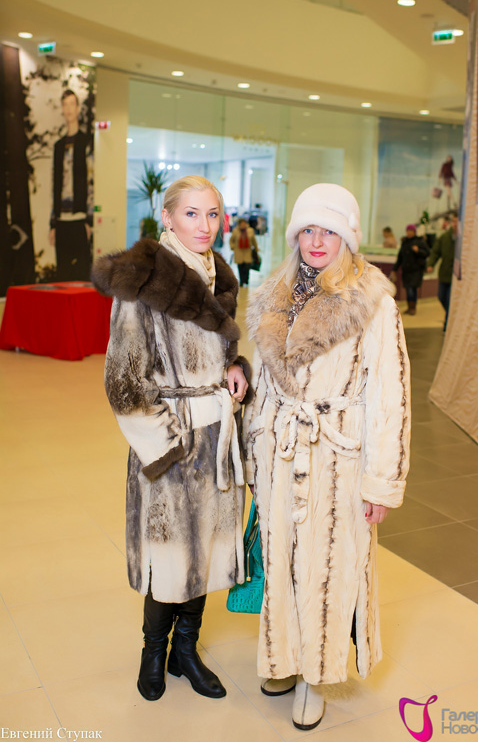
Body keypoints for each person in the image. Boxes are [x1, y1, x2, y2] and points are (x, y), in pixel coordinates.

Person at [243, 183, 410, 731]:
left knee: (327, 572)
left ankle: (314, 677)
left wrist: (381, 481)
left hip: (337, 460)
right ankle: (284, 660)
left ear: (348, 237)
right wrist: (253, 454)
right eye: (308, 230)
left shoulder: (373, 302)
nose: (316, 241)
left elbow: (391, 395)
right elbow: (264, 385)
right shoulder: (273, 295)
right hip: (279, 450)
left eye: (329, 231)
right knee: (281, 565)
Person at [92, 175, 250, 703]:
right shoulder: (144, 282)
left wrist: (235, 368)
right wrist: (167, 446)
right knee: (170, 556)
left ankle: (186, 650)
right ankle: (153, 652)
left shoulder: (220, 276)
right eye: (192, 214)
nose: (205, 226)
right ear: (167, 216)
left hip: (217, 439)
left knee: (205, 551)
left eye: (213, 214)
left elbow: (219, 354)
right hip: (172, 442)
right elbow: (123, 381)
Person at [49, 89, 93, 280]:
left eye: (71, 104)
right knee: (63, 273)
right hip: (61, 221)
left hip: (79, 218)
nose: (68, 109)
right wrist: (53, 223)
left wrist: (89, 220)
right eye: (64, 105)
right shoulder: (58, 146)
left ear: (77, 108)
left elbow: (91, 182)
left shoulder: (86, 142)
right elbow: (55, 185)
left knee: (82, 273)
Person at [427, 213, 458, 331]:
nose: (455, 224)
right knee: (441, 297)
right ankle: (451, 317)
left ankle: (448, 324)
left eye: (457, 221)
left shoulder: (464, 239)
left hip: (456, 276)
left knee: (450, 300)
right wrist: (431, 264)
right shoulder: (445, 237)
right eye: (453, 221)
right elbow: (435, 252)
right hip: (444, 273)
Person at [390, 224, 429, 315]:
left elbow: (427, 253)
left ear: (414, 232)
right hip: (406, 270)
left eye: (411, 231)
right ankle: (409, 307)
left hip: (416, 270)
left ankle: (412, 308)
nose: (409, 233)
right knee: (408, 289)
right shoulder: (405, 242)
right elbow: (400, 257)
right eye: (407, 231)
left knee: (412, 289)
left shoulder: (420, 242)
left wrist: (418, 250)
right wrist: (394, 269)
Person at [229, 217, 259, 287]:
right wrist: (232, 247)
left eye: (244, 224)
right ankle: (242, 281)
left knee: (247, 267)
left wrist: (256, 249)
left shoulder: (250, 231)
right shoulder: (235, 231)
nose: (243, 225)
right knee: (240, 267)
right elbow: (231, 240)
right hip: (239, 252)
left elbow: (254, 241)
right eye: (241, 224)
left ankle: (246, 280)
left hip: (247, 252)